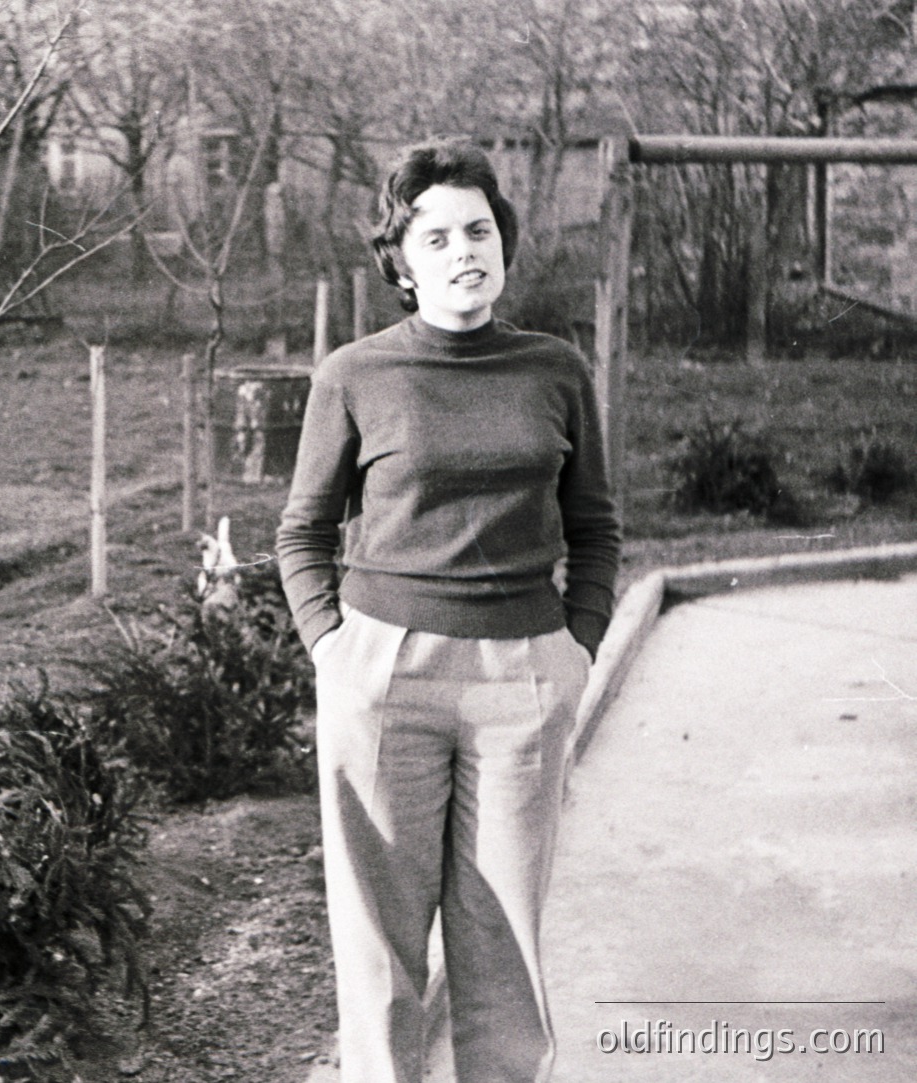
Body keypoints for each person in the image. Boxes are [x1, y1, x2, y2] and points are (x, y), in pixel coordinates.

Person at [276, 138, 621, 1083]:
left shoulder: (553, 370)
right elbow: (301, 530)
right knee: (378, 936)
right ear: (401, 262)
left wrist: (576, 649)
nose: (462, 249)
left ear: (503, 244)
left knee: (502, 934)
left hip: (522, 675)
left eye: (478, 229)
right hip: (384, 674)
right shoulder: (354, 374)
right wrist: (333, 650)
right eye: (435, 237)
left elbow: (593, 527)